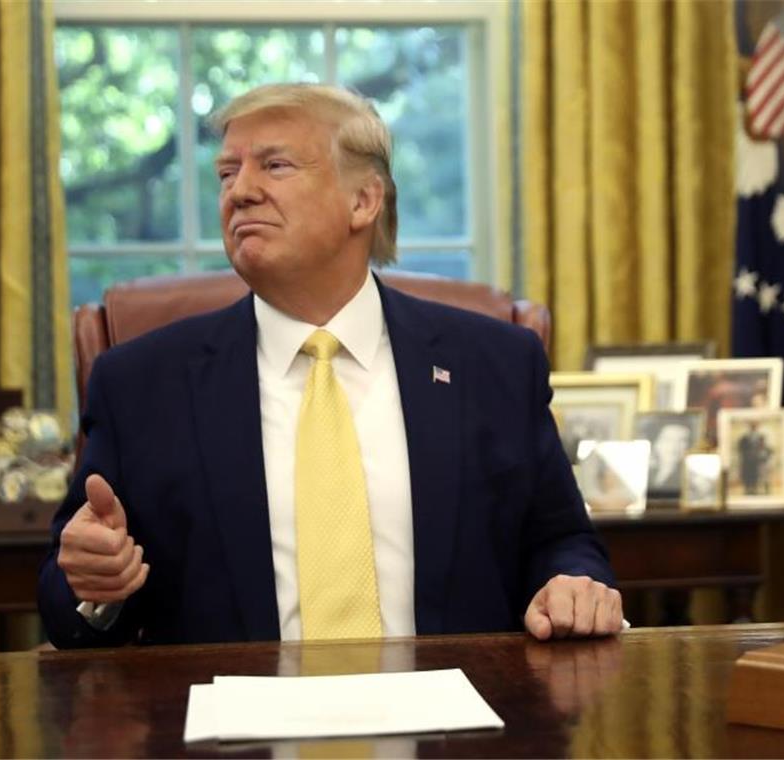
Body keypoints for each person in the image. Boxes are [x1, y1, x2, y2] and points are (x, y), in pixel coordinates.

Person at [38, 83, 623, 648]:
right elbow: (66, 603)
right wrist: (96, 588)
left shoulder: (494, 364)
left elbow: (561, 540)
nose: (239, 191)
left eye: (275, 166)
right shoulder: (142, 385)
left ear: (363, 201)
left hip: (455, 725)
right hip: (229, 734)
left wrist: (569, 584)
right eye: (226, 173)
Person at [646, 421, 692, 496]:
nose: (674, 447)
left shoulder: (690, 479)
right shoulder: (647, 472)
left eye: (682, 440)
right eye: (668, 440)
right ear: (656, 443)